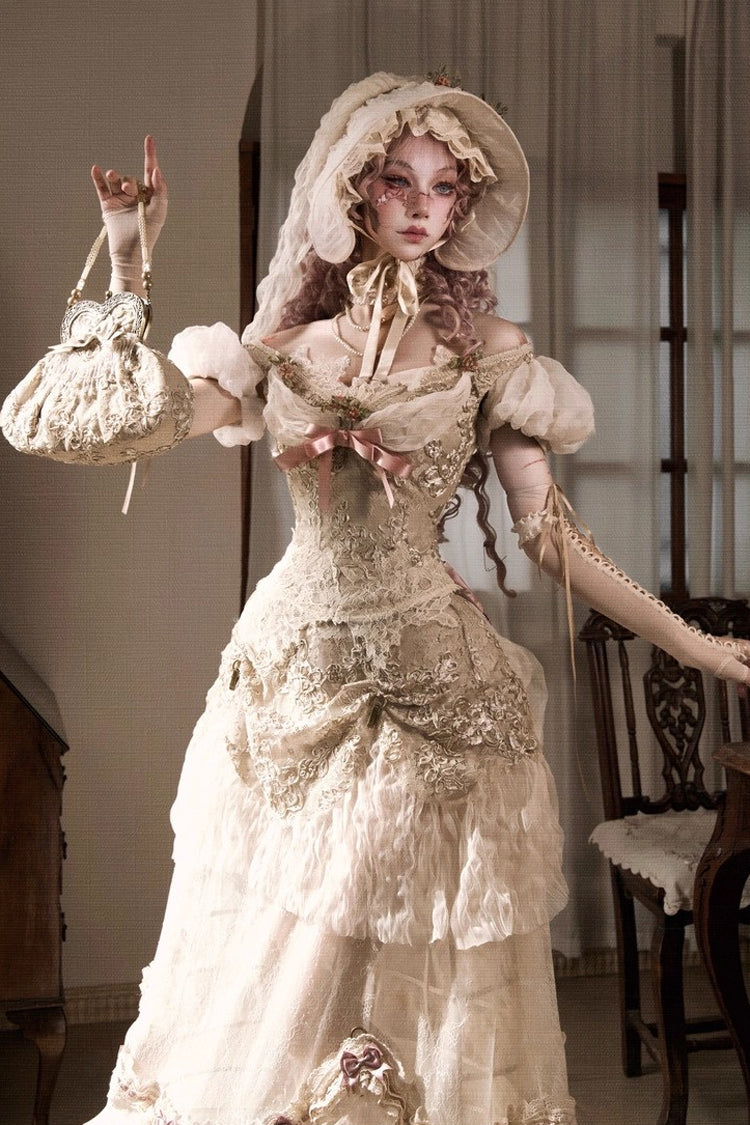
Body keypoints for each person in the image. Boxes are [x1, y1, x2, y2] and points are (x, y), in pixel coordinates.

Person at [84, 73, 750, 1125]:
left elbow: (552, 536)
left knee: (413, 959)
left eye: (444, 188)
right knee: (292, 947)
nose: (422, 206)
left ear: (462, 209)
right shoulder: (278, 353)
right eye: (398, 180)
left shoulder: (491, 356)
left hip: (434, 685)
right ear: (355, 192)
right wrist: (132, 258)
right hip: (294, 680)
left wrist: (698, 645)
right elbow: (131, 423)